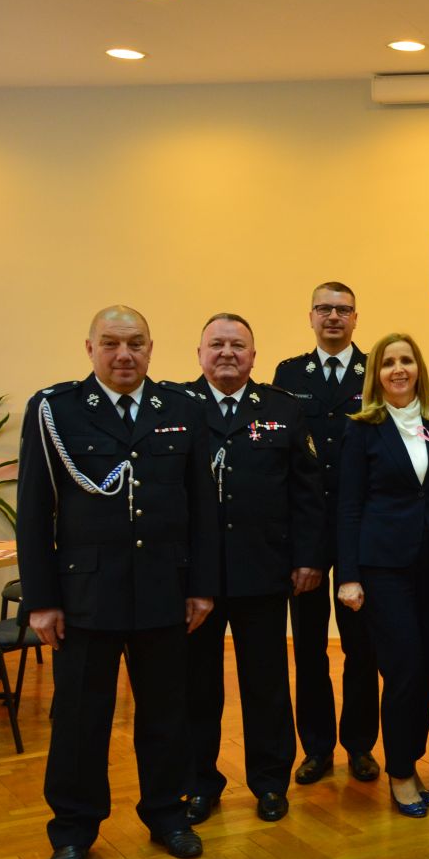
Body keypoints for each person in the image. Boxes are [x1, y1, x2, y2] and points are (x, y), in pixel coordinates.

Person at [17, 306, 217, 859]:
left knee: (166, 715)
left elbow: (202, 507)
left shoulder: (182, 408)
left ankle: (167, 815)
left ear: (151, 348)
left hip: (163, 590)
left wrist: (201, 587)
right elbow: (34, 511)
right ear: (90, 349)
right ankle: (73, 831)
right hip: (86, 596)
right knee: (80, 720)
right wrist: (42, 600)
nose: (124, 355)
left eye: (135, 343)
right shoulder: (55, 410)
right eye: (111, 343)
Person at [183, 314, 323, 826]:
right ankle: (199, 784)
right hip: (195, 578)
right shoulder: (177, 408)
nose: (227, 353)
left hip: (263, 571)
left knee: (266, 685)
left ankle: (269, 783)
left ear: (253, 356)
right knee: (197, 687)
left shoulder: (282, 409)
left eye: (237, 345)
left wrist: (309, 557)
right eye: (217, 344)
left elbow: (307, 492)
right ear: (200, 353)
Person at [336, 332, 429, 817]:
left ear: (419, 369)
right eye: (388, 362)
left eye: (406, 360)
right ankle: (401, 773)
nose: (398, 369)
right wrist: (348, 575)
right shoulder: (362, 428)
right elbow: (349, 506)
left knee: (428, 668)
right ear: (377, 374)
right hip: (383, 566)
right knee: (404, 667)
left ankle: (409, 760)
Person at [272, 281, 380, 786]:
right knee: (310, 648)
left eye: (343, 310)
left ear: (356, 318)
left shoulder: (374, 370)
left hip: (360, 530)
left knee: (362, 647)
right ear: (311, 316)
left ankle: (360, 745)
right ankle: (316, 748)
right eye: (324, 309)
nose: (333, 317)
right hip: (307, 533)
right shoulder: (289, 374)